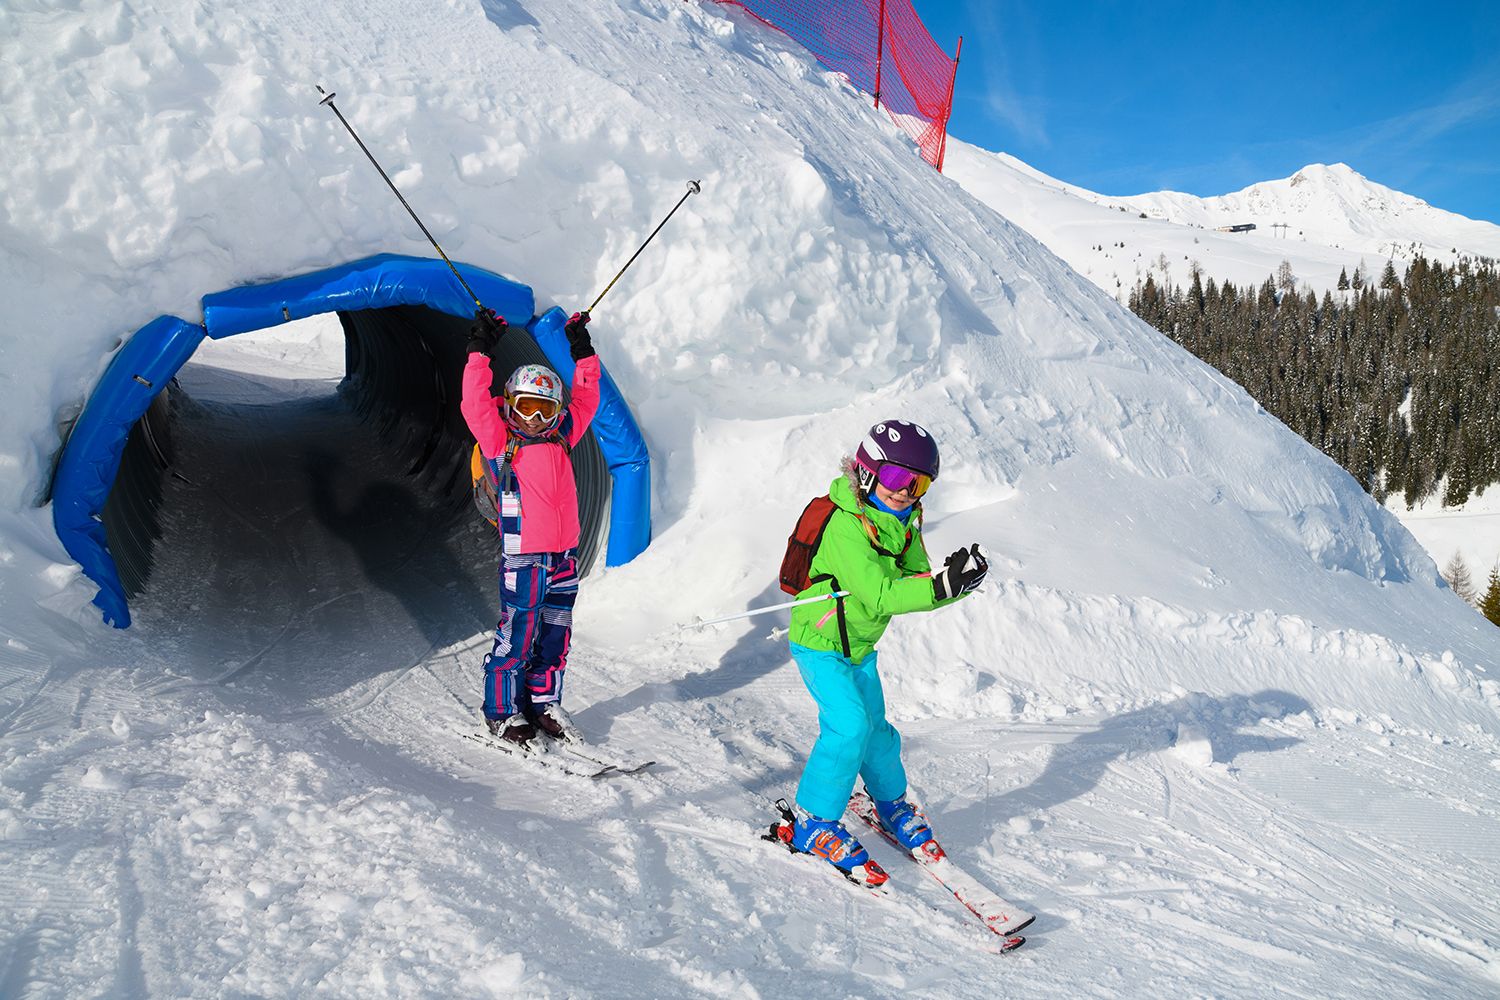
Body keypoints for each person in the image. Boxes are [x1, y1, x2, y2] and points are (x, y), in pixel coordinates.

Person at [772, 420, 988, 887]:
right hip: (820, 644)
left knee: (878, 732)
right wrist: (939, 587)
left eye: (919, 483)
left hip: (859, 646)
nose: (906, 491)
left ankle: (890, 804)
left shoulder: (904, 522)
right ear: (868, 473)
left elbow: (916, 582)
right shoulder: (846, 526)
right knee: (848, 726)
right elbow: (882, 594)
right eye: (896, 477)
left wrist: (954, 582)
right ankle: (811, 822)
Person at [460, 308, 601, 746]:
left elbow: (587, 400)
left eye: (545, 409)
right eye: (527, 407)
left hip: (564, 555)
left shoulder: (562, 435)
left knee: (556, 634)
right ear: (511, 404)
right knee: (517, 633)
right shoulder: (501, 441)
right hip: (524, 557)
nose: (535, 419)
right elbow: (474, 404)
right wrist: (480, 352)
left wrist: (583, 355)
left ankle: (543, 702)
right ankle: (502, 710)